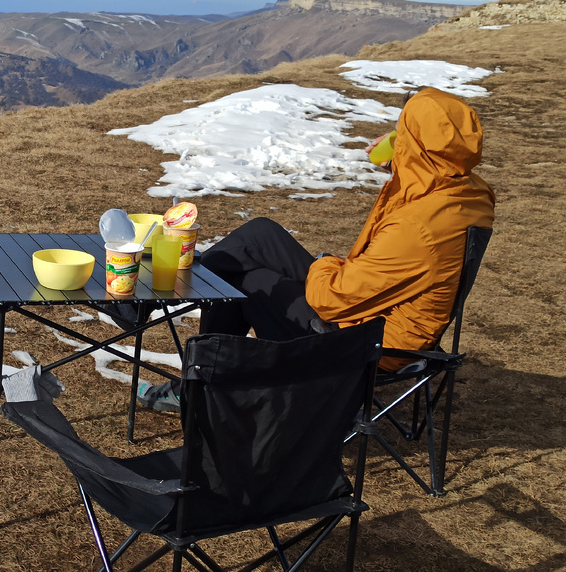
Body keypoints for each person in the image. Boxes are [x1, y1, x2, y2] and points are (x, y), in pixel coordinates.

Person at [138, 86, 496, 413]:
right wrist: (403, 164)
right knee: (261, 235)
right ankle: (192, 369)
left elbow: (333, 300)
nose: (395, 138)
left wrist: (325, 263)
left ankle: (196, 384)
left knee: (252, 282)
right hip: (379, 313)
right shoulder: (464, 193)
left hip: (365, 342)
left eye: (402, 132)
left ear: (418, 144)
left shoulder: (418, 225)